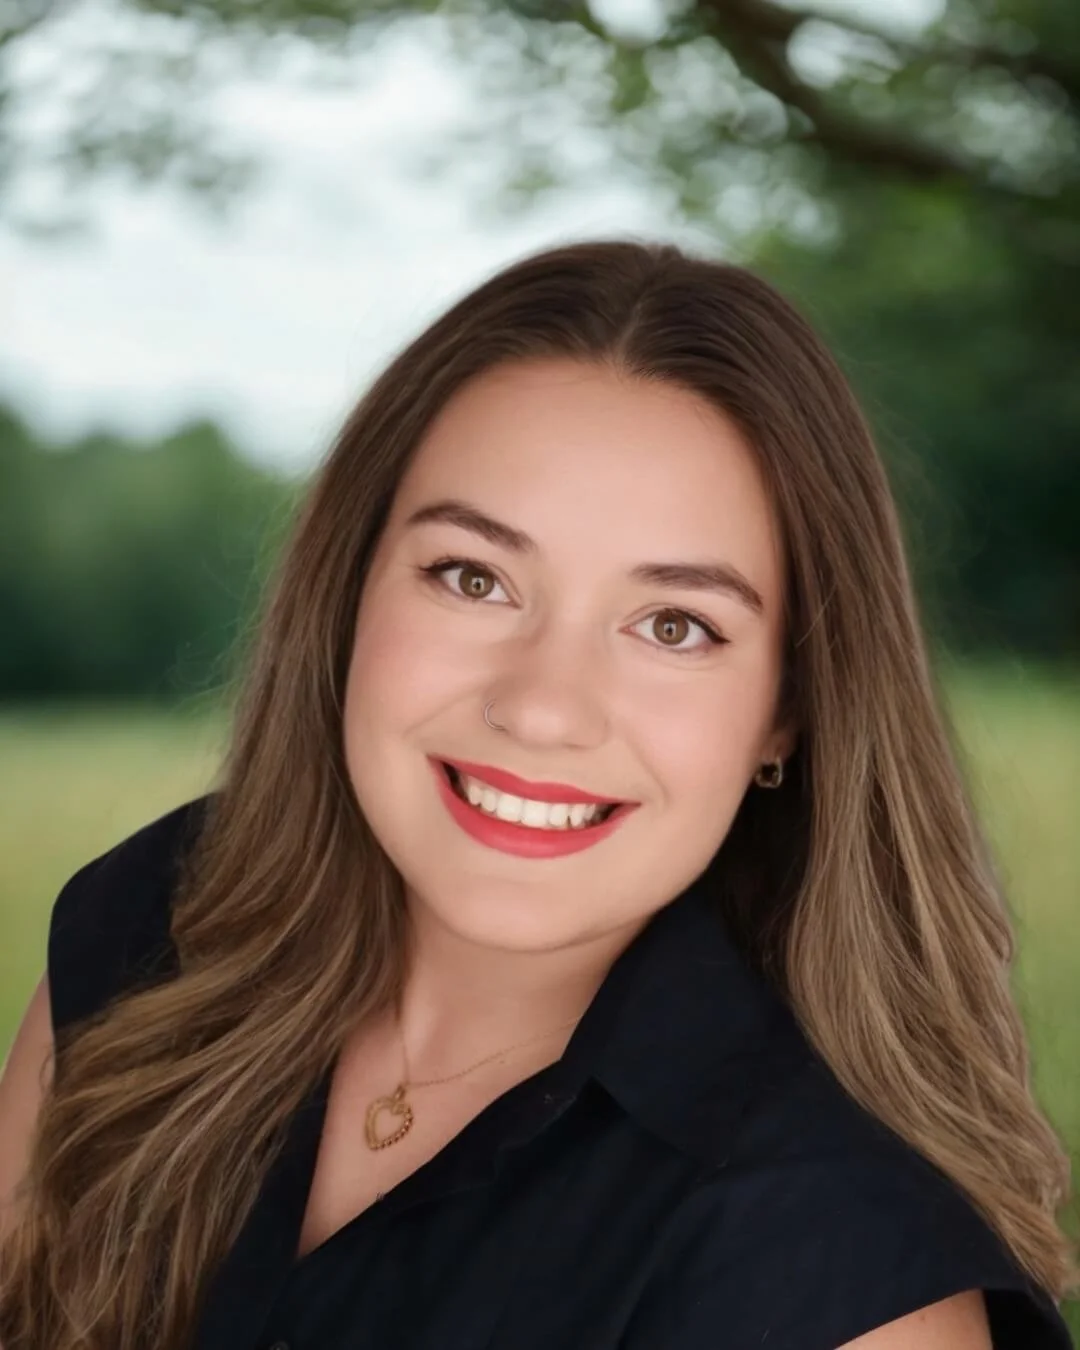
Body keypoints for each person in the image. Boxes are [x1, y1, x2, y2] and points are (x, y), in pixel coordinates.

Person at [0, 240, 1076, 1350]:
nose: (545, 707)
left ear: (786, 710)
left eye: (675, 626)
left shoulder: (838, 1260)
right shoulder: (156, 928)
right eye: (475, 577)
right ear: (349, 591)